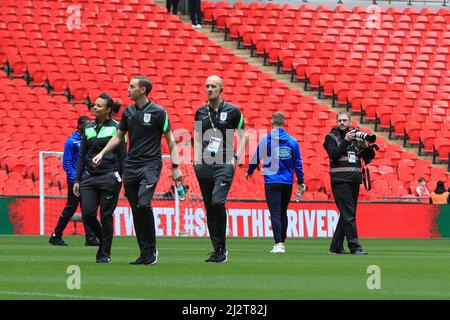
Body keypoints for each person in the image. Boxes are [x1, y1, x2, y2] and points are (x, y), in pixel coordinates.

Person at [92, 76, 182, 265]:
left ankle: (151, 249)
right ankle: (144, 253)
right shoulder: (128, 112)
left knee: (143, 205)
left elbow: (170, 139)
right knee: (136, 209)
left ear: (142, 90)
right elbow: (118, 136)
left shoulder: (159, 112)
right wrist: (102, 153)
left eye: (132, 86)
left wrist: (175, 166)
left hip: (150, 165)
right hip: (131, 166)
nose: (128, 89)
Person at [193, 75, 247, 263]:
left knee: (217, 202)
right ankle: (217, 250)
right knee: (209, 207)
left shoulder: (233, 111)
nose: (209, 89)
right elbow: (198, 138)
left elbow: (243, 136)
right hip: (204, 165)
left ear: (221, 89)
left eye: (213, 86)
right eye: (207, 85)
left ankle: (222, 247)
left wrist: (236, 159)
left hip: (224, 163)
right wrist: (196, 160)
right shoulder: (200, 112)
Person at [73, 93, 126, 263]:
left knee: (106, 215)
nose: (94, 108)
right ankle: (103, 241)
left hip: (109, 177)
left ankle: (105, 252)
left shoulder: (118, 129)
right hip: (89, 178)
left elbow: (122, 156)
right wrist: (77, 179)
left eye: (98, 106)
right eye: (94, 105)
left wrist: (122, 179)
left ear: (108, 110)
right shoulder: (87, 127)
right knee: (88, 214)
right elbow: (82, 155)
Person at [246, 112, 306, 254]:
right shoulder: (292, 142)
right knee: (283, 212)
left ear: (271, 123)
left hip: (272, 181)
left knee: (275, 214)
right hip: (287, 182)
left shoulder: (266, 139)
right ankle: (282, 242)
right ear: (284, 123)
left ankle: (278, 243)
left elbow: (256, 157)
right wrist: (301, 180)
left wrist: (249, 171)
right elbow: (298, 163)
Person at [323, 111, 375, 255]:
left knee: (347, 214)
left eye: (345, 120)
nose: (342, 123)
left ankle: (336, 247)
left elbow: (370, 157)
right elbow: (334, 154)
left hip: (353, 181)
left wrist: (365, 146)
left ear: (350, 122)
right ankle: (354, 246)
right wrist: (345, 140)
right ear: (336, 122)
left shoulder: (356, 137)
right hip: (340, 181)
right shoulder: (331, 137)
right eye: (340, 120)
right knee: (348, 214)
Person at [49, 116, 99, 247]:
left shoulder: (88, 140)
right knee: (71, 207)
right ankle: (56, 235)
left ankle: (90, 237)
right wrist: (74, 179)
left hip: (86, 179)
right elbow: (67, 163)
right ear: (80, 125)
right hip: (75, 181)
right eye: (86, 124)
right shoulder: (71, 142)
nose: (89, 126)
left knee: (87, 208)